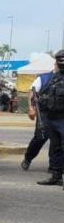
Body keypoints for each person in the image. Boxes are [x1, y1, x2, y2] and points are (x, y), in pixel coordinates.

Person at [34, 50, 64, 187]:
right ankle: (56, 176)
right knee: (56, 148)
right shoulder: (54, 77)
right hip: (52, 117)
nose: (61, 62)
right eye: (59, 59)